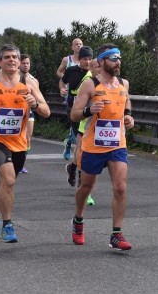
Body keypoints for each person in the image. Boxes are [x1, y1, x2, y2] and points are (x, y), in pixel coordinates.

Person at [0, 44, 50, 243]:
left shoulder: (29, 83)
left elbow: (46, 111)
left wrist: (35, 104)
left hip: (19, 142)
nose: (12, 60)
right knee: (8, 180)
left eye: (15, 57)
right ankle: (8, 224)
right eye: (7, 57)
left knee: (6, 184)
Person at [70, 44, 135, 250]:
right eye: (113, 58)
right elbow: (74, 114)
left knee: (121, 186)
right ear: (101, 61)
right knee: (87, 186)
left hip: (117, 143)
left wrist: (128, 116)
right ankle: (78, 220)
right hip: (94, 144)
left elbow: (127, 103)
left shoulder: (123, 83)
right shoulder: (90, 85)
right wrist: (90, 110)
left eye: (119, 58)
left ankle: (116, 233)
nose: (118, 62)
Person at [61, 45, 95, 206]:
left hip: (89, 113)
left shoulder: (94, 74)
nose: (87, 62)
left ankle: (73, 168)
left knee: (82, 149)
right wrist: (62, 89)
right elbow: (62, 82)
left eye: (89, 59)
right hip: (74, 112)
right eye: (84, 59)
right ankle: (82, 183)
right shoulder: (72, 71)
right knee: (81, 147)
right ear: (79, 59)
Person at [56, 38, 83, 160]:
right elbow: (59, 72)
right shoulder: (67, 60)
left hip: (84, 95)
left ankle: (69, 141)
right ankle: (72, 143)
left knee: (79, 123)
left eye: (81, 44)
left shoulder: (87, 61)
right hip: (70, 94)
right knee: (74, 120)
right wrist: (69, 77)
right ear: (72, 47)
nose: (79, 46)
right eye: (76, 44)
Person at [19, 54, 38, 173]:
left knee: (28, 138)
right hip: (15, 112)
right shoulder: (13, 77)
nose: (26, 65)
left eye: (28, 63)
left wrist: (35, 104)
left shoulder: (34, 80)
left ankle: (21, 163)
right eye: (24, 63)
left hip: (29, 111)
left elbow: (38, 98)